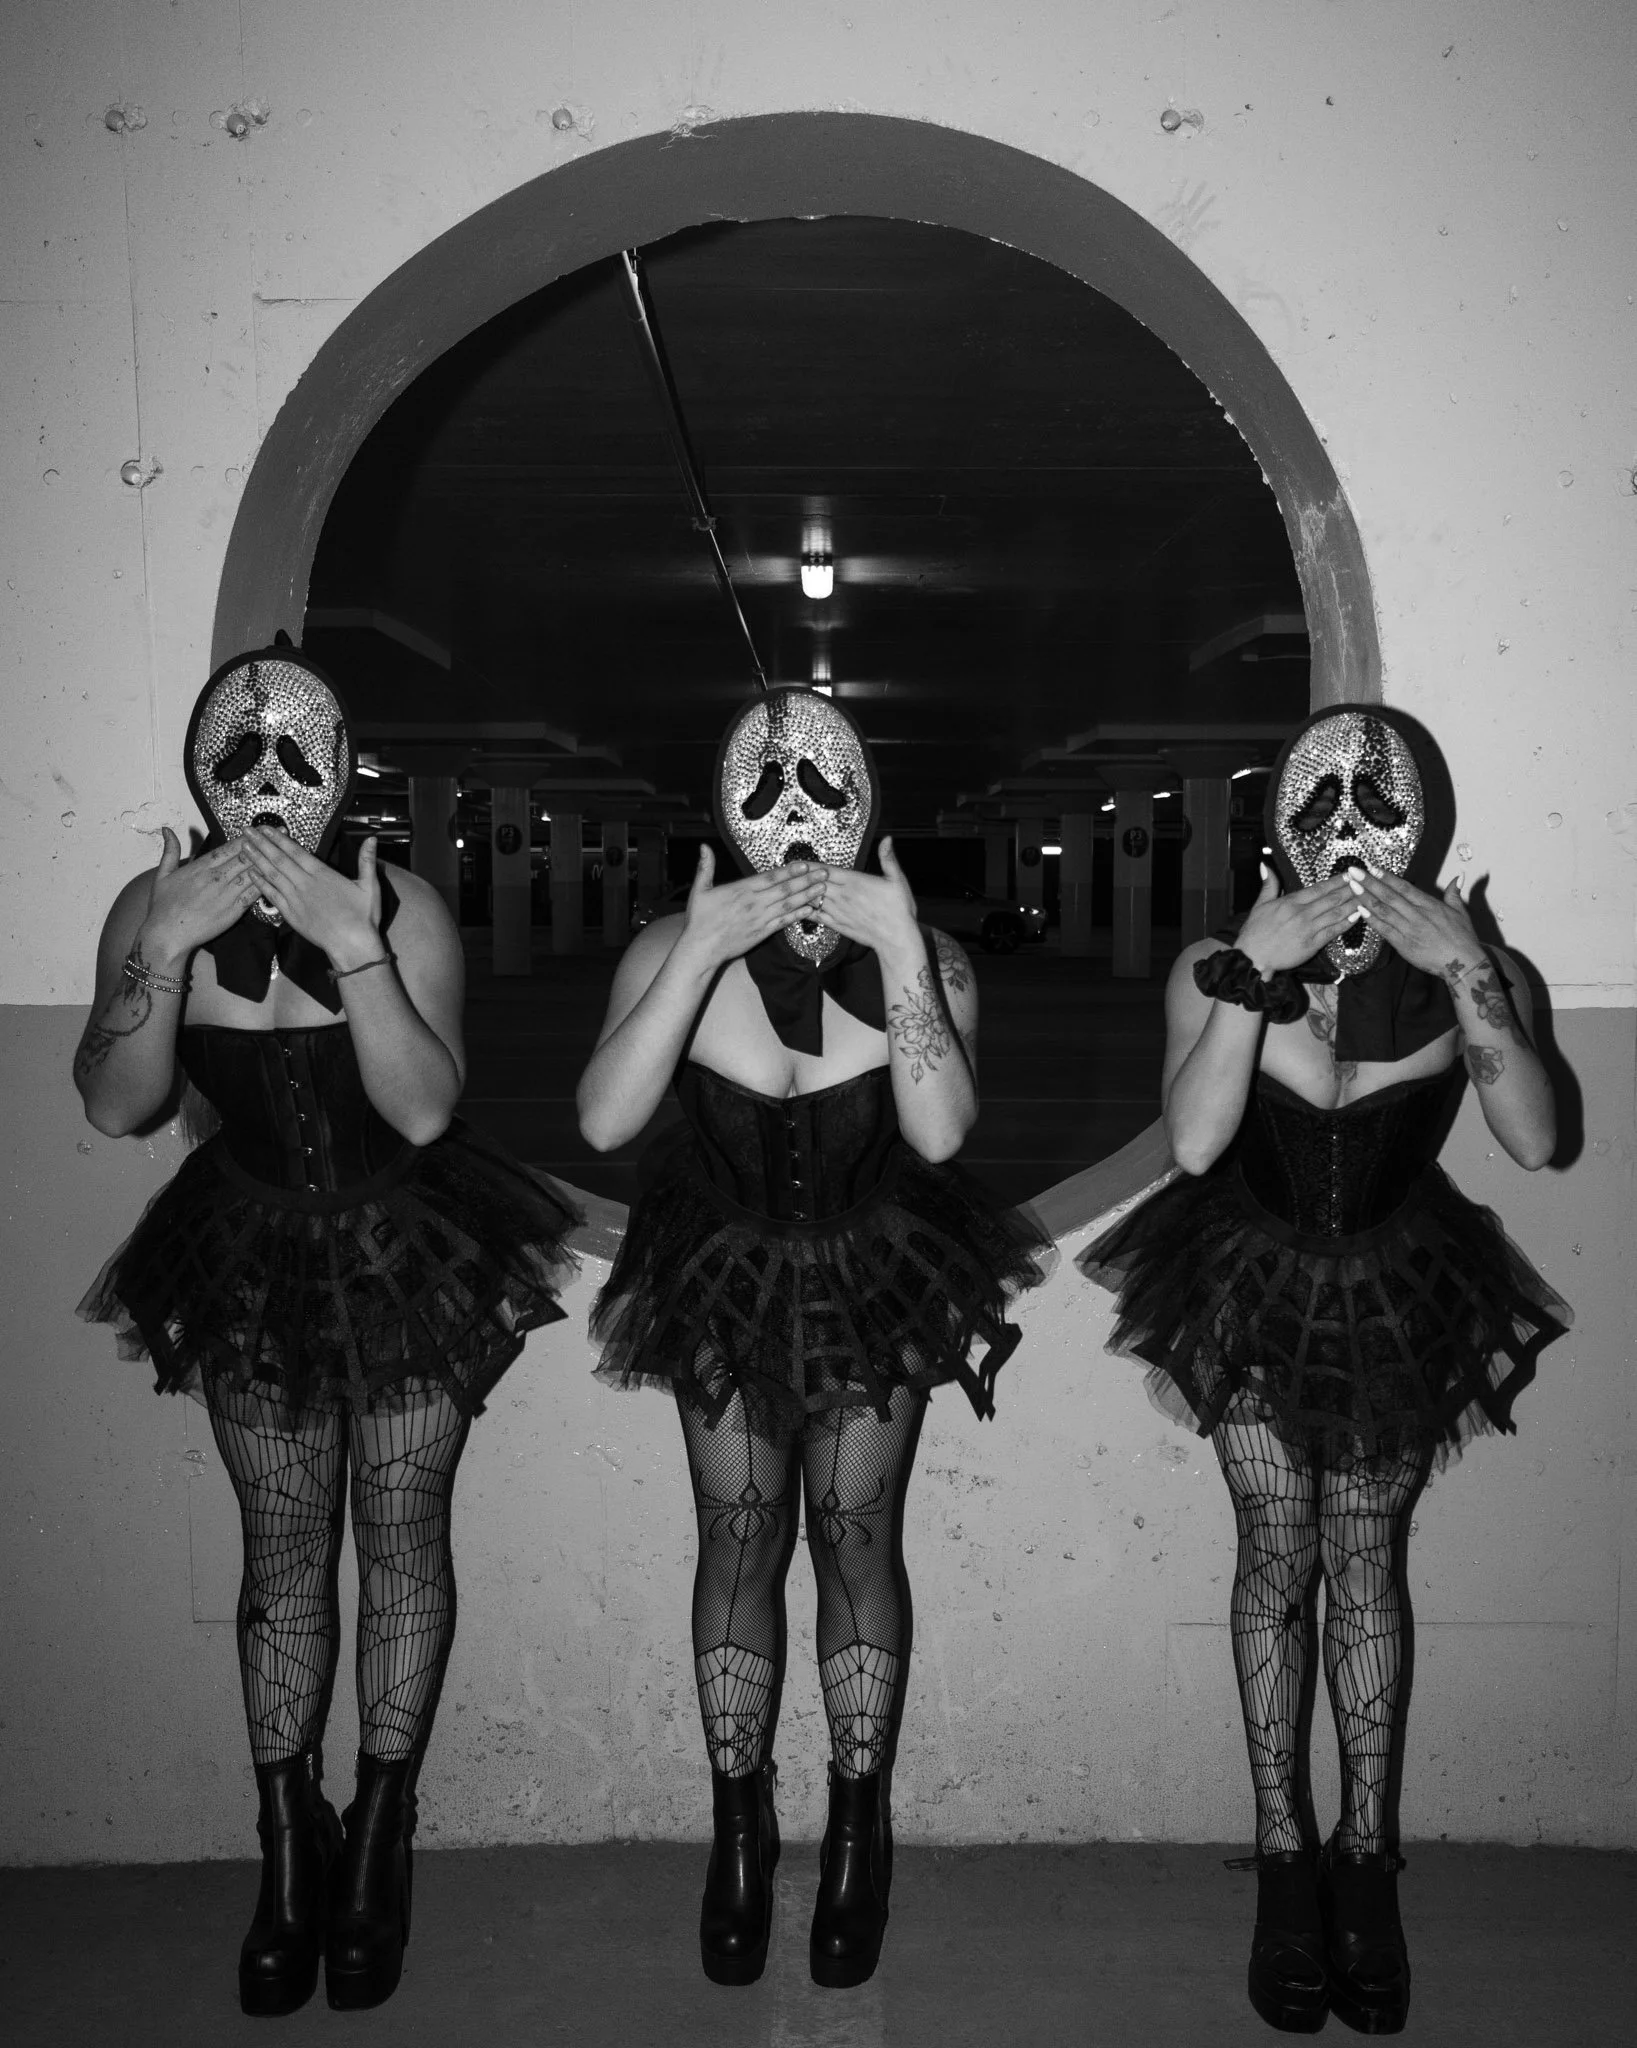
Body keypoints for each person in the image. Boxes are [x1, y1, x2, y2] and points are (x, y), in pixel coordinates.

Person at [76, 647, 579, 2016]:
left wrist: (359, 950)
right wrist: (164, 946)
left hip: (405, 1242)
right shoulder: (150, 901)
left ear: (341, 766)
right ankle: (287, 1851)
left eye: (297, 760)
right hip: (248, 1252)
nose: (267, 789)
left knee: (403, 1530)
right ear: (199, 766)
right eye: (237, 760)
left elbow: (423, 1110)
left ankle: (381, 1839)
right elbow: (117, 1104)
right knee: (284, 1553)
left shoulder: (403, 905)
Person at [1080, 704, 1568, 2036]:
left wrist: (1467, 968)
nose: (1348, 838)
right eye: (1318, 813)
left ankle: (1366, 1863)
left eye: (1374, 811)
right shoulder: (1211, 965)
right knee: (1276, 1556)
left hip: (1401, 1286)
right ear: (1276, 830)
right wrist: (1247, 968)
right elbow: (1190, 1146)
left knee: (1366, 1560)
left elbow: (1534, 1138)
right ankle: (1283, 1857)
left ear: (1424, 826)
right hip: (1245, 1282)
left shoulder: (1481, 967)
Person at [579, 687, 1049, 1989]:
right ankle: (737, 1835)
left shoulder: (932, 959)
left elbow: (945, 1132)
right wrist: (692, 950)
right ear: (729, 810)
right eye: (767, 795)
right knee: (735, 1535)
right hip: (722, 1274)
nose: (795, 822)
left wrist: (901, 948)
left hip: (874, 1277)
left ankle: (857, 1829)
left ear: (865, 807)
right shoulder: (674, 945)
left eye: (823, 794)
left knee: (851, 1539)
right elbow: (608, 1122)